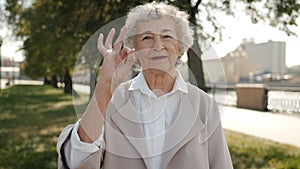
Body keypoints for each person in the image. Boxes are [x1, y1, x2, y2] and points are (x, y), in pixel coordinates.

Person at [57, 1, 233, 169]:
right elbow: (77, 160)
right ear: (134, 48)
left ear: (180, 46)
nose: (158, 45)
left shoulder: (205, 105)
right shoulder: (111, 100)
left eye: (167, 36)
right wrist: (105, 85)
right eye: (147, 38)